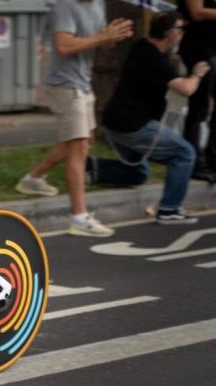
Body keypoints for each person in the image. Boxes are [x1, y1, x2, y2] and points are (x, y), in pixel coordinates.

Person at [14, 0, 133, 238]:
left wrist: (111, 37)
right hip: (65, 85)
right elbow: (64, 45)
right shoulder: (64, 6)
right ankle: (79, 217)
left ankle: (33, 178)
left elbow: (99, 45)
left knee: (81, 141)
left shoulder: (98, 5)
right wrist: (102, 37)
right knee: (78, 145)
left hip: (82, 82)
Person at [89, 13, 207, 225]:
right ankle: (169, 209)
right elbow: (186, 89)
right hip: (134, 126)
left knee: (138, 172)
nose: (182, 35)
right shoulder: (154, 58)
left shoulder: (142, 46)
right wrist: (197, 73)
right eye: (180, 30)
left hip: (115, 123)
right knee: (184, 154)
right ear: (169, 34)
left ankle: (90, 168)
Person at [177, 0, 216, 182]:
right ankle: (194, 161)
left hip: (212, 45)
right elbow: (197, 12)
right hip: (198, 46)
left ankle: (212, 158)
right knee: (200, 106)